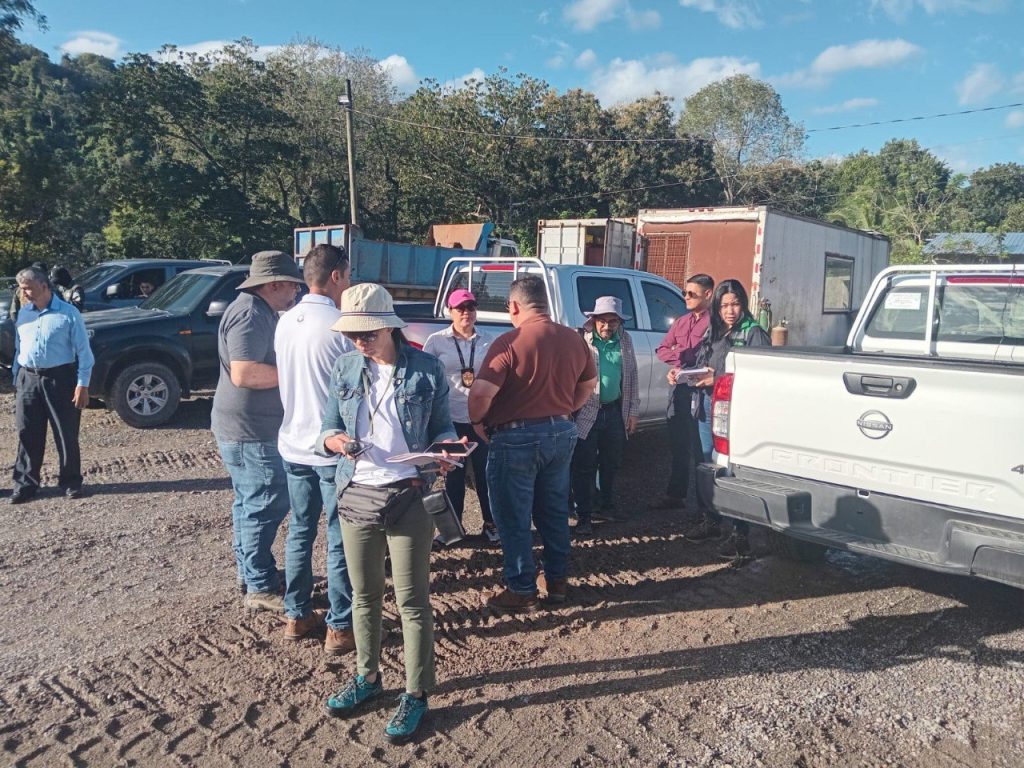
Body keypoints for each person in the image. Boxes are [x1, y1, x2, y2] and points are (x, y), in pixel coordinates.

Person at [318, 283, 458, 743]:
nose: (359, 341)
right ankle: (368, 677)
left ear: (389, 327)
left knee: (412, 600)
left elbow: (443, 427)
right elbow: (328, 427)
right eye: (352, 334)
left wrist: (445, 450)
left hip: (409, 493)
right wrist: (336, 441)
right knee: (364, 595)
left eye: (368, 334)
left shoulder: (426, 368)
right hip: (356, 493)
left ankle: (416, 693)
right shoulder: (344, 367)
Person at [468, 275, 597, 613]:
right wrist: (566, 409)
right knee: (554, 511)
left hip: (515, 438)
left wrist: (478, 421)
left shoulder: (509, 342)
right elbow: (590, 383)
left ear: (514, 306)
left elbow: (480, 393)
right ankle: (556, 581)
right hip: (561, 433)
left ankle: (522, 589)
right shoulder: (574, 340)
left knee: (513, 516)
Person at [211, 250, 304, 613]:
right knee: (264, 504)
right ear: (274, 284)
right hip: (251, 428)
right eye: (292, 285)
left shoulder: (253, 309)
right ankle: (260, 585)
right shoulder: (251, 314)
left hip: (241, 424)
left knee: (248, 503)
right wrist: (298, 375)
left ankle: (250, 573)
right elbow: (245, 372)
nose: (296, 292)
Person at [274, 244, 356, 652]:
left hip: (292, 442)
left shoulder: (285, 321)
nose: (350, 283)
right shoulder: (340, 325)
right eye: (349, 276)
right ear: (336, 276)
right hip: (330, 447)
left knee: (301, 531)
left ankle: (297, 613)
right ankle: (340, 625)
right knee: (339, 537)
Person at [687, 279, 771, 560]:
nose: (730, 311)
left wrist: (718, 378)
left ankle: (740, 533)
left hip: (735, 411)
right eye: (724, 306)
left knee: (733, 469)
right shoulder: (713, 330)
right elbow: (704, 362)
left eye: (735, 304)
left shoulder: (753, 333)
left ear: (743, 304)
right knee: (707, 464)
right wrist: (688, 373)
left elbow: (761, 375)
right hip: (707, 405)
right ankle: (711, 521)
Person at [10, 266, 94, 504]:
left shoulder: (68, 313)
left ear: (44, 286)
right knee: (27, 432)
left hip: (60, 379)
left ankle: (71, 482)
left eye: (27, 288)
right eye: (21, 288)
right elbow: (19, 348)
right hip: (28, 379)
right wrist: (17, 378)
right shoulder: (24, 314)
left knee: (66, 432)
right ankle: (26, 485)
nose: (23, 293)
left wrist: (82, 384)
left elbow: (84, 352)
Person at [422, 288, 499, 543]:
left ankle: (491, 525)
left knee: (486, 474)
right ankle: (452, 529)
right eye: (460, 308)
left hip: (481, 420)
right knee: (453, 475)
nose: (466, 312)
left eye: (471, 307)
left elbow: (498, 377)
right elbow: (426, 377)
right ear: (450, 311)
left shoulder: (488, 340)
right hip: (450, 420)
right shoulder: (436, 341)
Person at [571, 296, 640, 537]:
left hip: (614, 411)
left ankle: (605, 505)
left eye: (613, 321)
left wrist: (632, 412)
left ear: (620, 322)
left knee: (611, 463)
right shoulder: (582, 340)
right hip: (586, 412)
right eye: (602, 321)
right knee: (583, 466)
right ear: (594, 320)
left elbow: (632, 376)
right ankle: (584, 515)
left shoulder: (625, 340)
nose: (607, 326)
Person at [651, 274, 714, 511]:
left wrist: (687, 360)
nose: (686, 297)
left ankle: (705, 507)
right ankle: (675, 495)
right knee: (679, 445)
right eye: (684, 293)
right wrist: (680, 363)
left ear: (708, 294)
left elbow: (712, 357)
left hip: (702, 392)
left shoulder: (715, 324)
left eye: (691, 293)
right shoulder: (681, 322)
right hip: (679, 389)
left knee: (701, 449)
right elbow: (662, 349)